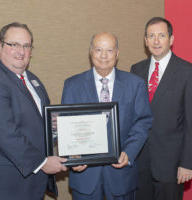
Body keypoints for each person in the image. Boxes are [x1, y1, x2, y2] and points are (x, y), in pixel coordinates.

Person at [0, 22, 67, 200]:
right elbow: (6, 134)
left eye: (26, 45)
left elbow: (34, 126)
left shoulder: (34, 81)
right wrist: (43, 162)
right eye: (14, 44)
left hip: (27, 185)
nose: (21, 51)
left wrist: (54, 127)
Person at [61, 32, 153, 200]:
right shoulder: (72, 85)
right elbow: (66, 126)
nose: (103, 56)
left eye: (109, 50)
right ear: (90, 52)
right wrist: (73, 157)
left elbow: (143, 122)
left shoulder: (135, 84)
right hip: (85, 176)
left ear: (117, 53)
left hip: (122, 174)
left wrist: (129, 151)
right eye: (98, 50)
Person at [130, 17, 192, 200]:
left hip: (171, 164)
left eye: (161, 35)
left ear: (171, 39)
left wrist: (187, 163)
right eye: (151, 36)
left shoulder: (188, 72)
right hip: (140, 162)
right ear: (145, 41)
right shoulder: (136, 70)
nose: (156, 41)